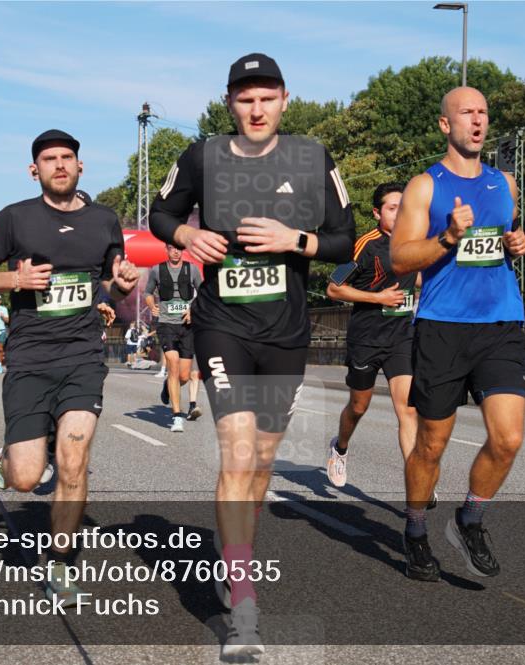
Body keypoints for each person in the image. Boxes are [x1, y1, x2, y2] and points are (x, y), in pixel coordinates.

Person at [149, 53, 354, 658]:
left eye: (267, 97)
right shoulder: (201, 157)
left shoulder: (312, 156)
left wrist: (298, 240)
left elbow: (345, 235)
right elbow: (161, 214)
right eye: (245, 98)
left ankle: (236, 554)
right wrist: (187, 234)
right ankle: (243, 608)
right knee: (238, 455)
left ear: (285, 100)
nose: (256, 108)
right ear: (229, 102)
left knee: (262, 463)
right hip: (222, 327)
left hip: (286, 332)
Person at [0, 129, 139, 606]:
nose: (59, 165)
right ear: (34, 169)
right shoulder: (15, 218)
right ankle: (9, 458)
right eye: (49, 159)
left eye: (67, 158)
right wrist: (12, 278)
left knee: (74, 458)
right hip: (29, 358)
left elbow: (111, 286)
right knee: (25, 478)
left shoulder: (105, 221)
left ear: (80, 167)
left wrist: (122, 285)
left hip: (82, 355)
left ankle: (60, 566)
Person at [391, 86, 525, 582]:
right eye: (467, 113)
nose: (478, 120)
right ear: (445, 125)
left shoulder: (504, 183)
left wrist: (517, 243)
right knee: (431, 445)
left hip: (499, 323)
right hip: (443, 327)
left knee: (508, 438)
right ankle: (414, 530)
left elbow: (499, 245)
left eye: (484, 113)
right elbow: (400, 259)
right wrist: (447, 236)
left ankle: (469, 520)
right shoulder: (424, 187)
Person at [325, 183, 436, 501]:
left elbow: (413, 276)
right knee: (359, 406)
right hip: (366, 339)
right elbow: (334, 289)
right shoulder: (363, 246)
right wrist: (378, 298)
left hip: (402, 337)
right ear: (377, 213)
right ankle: (340, 447)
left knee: (409, 411)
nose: (400, 214)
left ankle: (417, 482)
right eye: (392, 208)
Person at [144, 243, 204, 431]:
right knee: (172, 362)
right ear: (167, 250)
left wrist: (193, 308)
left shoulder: (192, 269)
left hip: (187, 325)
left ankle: (167, 384)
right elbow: (147, 292)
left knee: (184, 376)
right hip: (165, 322)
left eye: (179, 248)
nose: (176, 251)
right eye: (172, 248)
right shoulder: (157, 270)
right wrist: (151, 303)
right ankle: (177, 416)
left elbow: (202, 292)